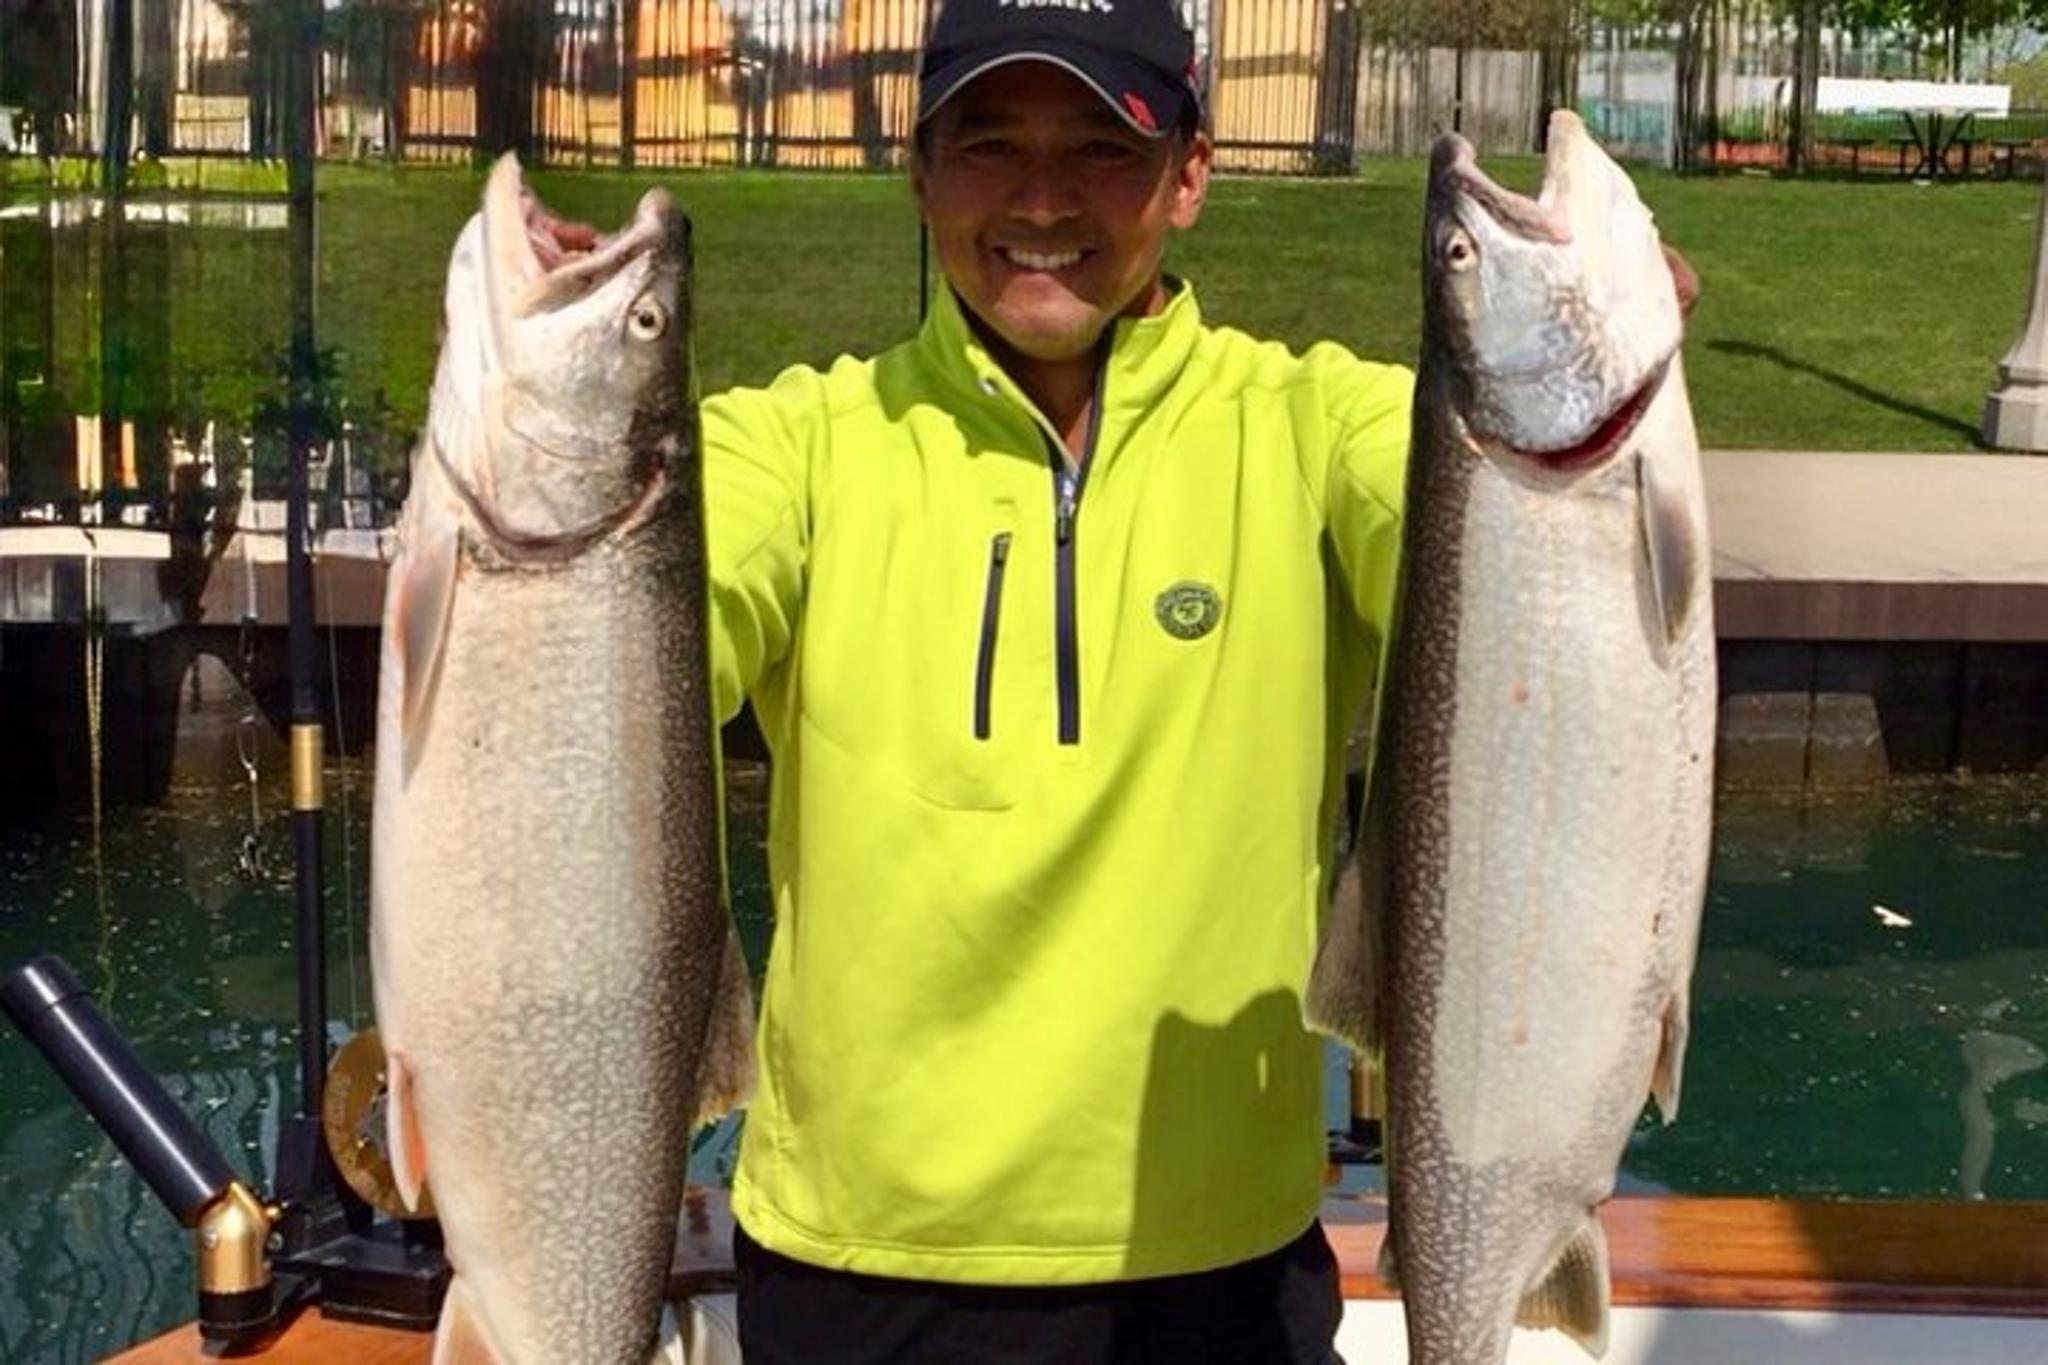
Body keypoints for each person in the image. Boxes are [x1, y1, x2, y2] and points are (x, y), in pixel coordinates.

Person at [699, 3, 1411, 1361]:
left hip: (1216, 1274)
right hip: (857, 1272)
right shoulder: (797, 444)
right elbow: (638, 625)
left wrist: (1594, 366)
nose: (1039, 200)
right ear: (917, 172)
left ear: (1190, 174)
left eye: (1100, 147)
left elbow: (1498, 526)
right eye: (985, 147)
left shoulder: (1315, 424)